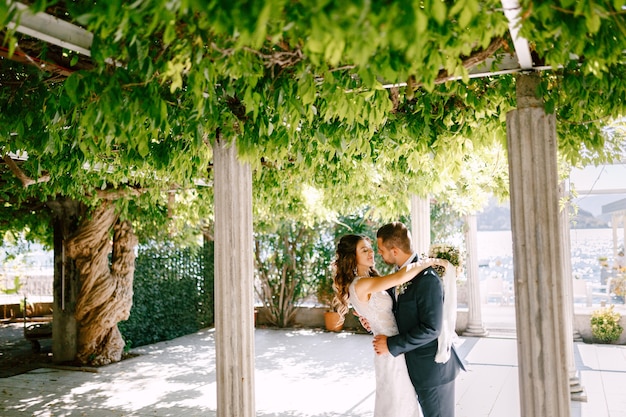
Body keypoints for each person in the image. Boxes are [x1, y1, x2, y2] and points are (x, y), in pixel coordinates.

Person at [332, 234, 441, 417]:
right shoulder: (361, 284)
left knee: (402, 403)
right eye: (364, 250)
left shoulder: (370, 280)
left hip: (396, 346)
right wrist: (431, 262)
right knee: (398, 405)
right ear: (352, 257)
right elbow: (400, 277)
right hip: (390, 351)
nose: (371, 253)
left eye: (370, 248)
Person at [372, 222, 465, 417]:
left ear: (395, 250)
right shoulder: (399, 276)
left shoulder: (427, 278)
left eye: (381, 250)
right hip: (412, 368)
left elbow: (431, 328)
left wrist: (391, 344)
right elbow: (392, 313)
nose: (379, 254)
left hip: (433, 371)